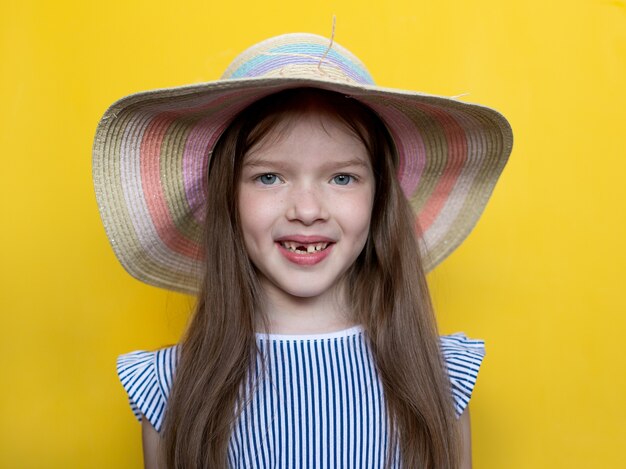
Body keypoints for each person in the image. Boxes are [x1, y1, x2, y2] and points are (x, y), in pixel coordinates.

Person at [93, 33, 513, 468]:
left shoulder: (439, 378)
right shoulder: (170, 388)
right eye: (270, 177)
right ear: (227, 198)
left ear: (380, 197)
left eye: (342, 178)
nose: (308, 211)